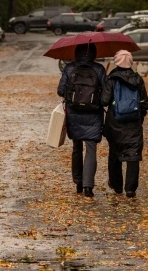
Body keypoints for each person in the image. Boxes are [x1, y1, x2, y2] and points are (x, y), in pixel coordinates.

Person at [57, 43, 107, 197]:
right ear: (94, 53)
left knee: (76, 147)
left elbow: (60, 90)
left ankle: (78, 182)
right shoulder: (99, 69)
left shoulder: (70, 68)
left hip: (74, 113)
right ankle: (88, 187)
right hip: (93, 114)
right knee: (91, 149)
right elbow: (105, 94)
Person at [101, 50, 148, 198]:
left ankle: (116, 185)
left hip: (115, 123)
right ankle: (130, 188)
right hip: (133, 124)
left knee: (115, 152)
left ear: (117, 62)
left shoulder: (112, 79)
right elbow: (145, 103)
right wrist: (139, 118)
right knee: (133, 154)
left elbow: (104, 100)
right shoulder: (138, 79)